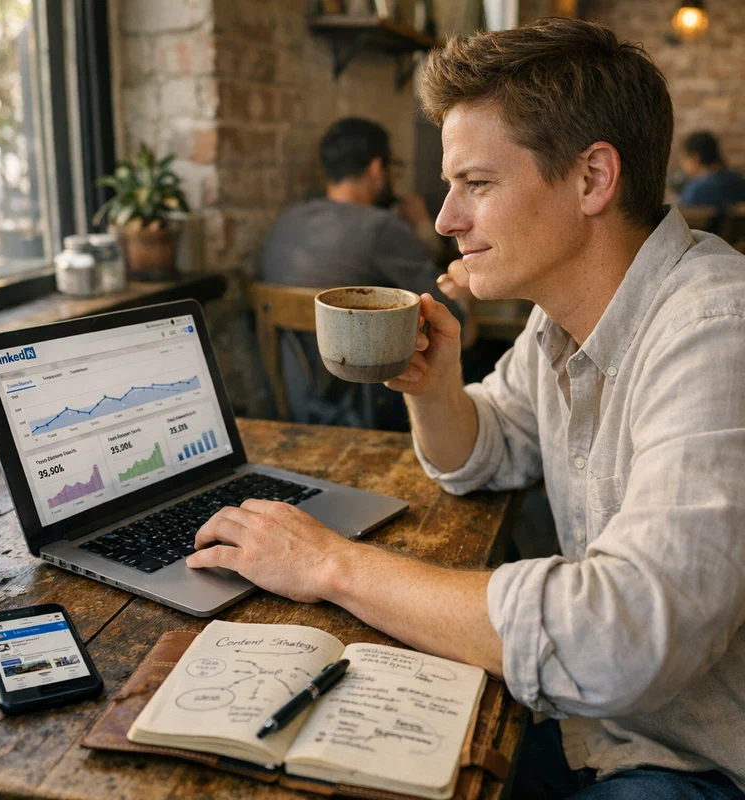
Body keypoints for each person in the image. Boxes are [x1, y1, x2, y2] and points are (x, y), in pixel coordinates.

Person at [189, 18, 745, 799]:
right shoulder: (564, 318)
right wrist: (435, 388)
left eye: (476, 185)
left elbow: (623, 636)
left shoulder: (717, 332)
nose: (447, 219)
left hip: (703, 761)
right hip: (611, 729)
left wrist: (329, 563)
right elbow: (484, 451)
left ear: (592, 179)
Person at [259, 117, 478, 428]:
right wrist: (422, 230)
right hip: (373, 409)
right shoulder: (380, 227)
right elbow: (454, 320)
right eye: (393, 169)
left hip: (294, 408)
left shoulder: (285, 222)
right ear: (377, 170)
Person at [679, 131, 745, 233]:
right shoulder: (739, 181)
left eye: (684, 158)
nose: (682, 164)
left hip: (701, 243)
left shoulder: (696, 188)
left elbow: (681, 220)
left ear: (695, 157)